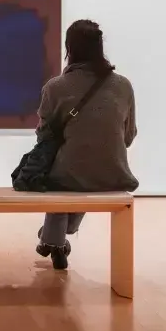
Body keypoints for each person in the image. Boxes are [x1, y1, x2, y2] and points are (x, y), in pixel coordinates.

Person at [34, 20, 138, 269]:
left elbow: (44, 137)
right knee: (86, 167)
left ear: (69, 48)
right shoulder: (123, 85)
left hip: (69, 175)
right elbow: (129, 135)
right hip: (114, 173)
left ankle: (52, 239)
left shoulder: (55, 87)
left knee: (65, 171)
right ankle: (53, 239)